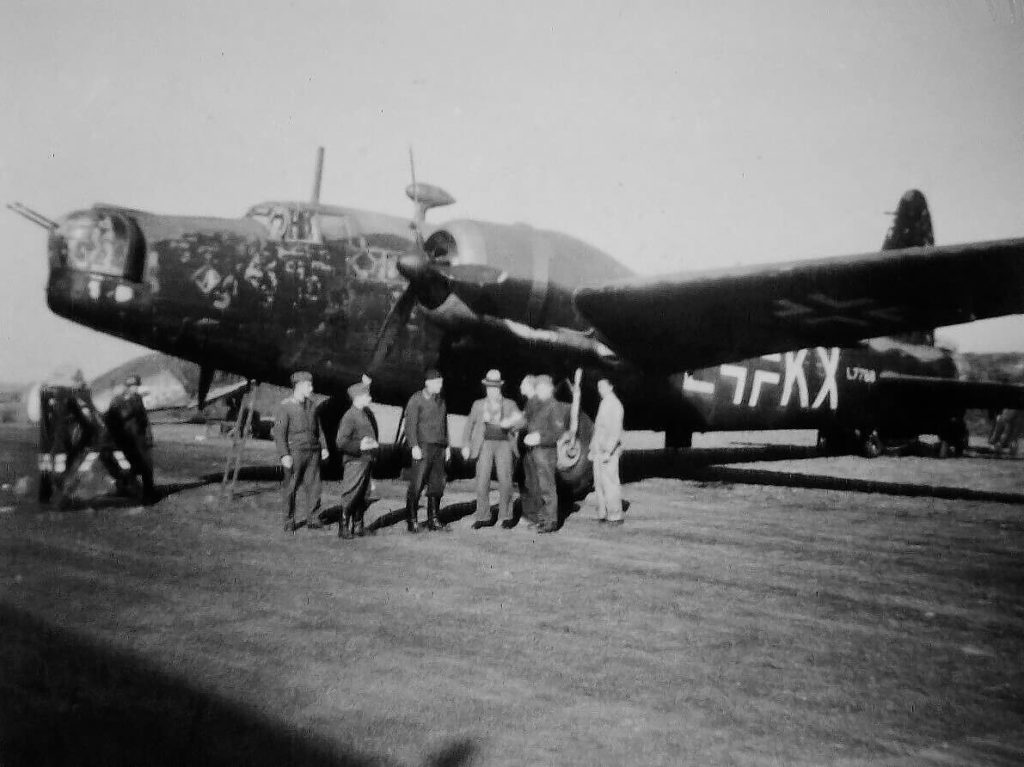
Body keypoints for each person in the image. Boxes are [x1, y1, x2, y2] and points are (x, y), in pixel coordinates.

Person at [462, 369, 522, 529]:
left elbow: (522, 421)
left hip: (504, 445)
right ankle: (483, 516)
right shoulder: (478, 404)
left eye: (495, 387)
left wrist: (510, 422)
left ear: (500, 387)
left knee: (505, 481)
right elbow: (469, 425)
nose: (492, 390)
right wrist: (466, 445)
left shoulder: (510, 404)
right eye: (489, 387)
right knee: (482, 480)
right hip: (484, 444)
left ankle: (506, 515)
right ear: (486, 387)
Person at [272, 371, 329, 533]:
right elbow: (279, 432)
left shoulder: (312, 405)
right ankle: (289, 521)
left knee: (314, 487)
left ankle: (313, 519)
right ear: (299, 386)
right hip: (295, 451)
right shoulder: (286, 406)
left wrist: (324, 447)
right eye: (308, 385)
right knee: (291, 486)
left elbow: (319, 429)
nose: (311, 387)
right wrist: (284, 454)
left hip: (313, 451)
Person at [403, 368, 451, 532]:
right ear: (428, 383)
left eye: (441, 382)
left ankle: (434, 519)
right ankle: (412, 520)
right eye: (437, 383)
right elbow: (410, 425)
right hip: (423, 446)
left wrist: (448, 445)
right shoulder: (416, 400)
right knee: (417, 484)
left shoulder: (441, 401)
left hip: (439, 447)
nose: (440, 385)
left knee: (437, 485)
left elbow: (444, 425)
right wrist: (414, 446)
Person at [522, 374, 569, 533]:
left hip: (546, 452)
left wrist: (539, 438)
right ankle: (542, 519)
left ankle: (551, 522)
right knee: (540, 487)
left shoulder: (554, 406)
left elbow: (558, 432)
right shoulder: (540, 405)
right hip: (536, 452)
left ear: (549, 389)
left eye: (541, 388)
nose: (538, 391)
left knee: (548, 487)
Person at [335, 380, 379, 539]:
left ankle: (358, 526)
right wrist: (361, 445)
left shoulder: (363, 413)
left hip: (365, 461)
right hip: (355, 462)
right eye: (367, 395)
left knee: (363, 494)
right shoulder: (350, 416)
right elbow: (341, 442)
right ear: (358, 397)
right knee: (351, 494)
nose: (370, 397)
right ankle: (343, 527)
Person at [106, 373, 158, 503]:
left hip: (132, 438)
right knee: (138, 465)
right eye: (131, 385)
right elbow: (112, 420)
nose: (133, 388)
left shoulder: (128, 399)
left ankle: (141, 491)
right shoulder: (125, 400)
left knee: (139, 465)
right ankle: (135, 490)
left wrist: (148, 436)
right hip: (130, 438)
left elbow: (143, 419)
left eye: (135, 385)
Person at [589, 377, 625, 525]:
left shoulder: (615, 404)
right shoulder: (605, 403)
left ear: (611, 387)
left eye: (603, 386)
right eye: (598, 387)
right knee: (599, 484)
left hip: (607, 452)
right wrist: (592, 449)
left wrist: (608, 451)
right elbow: (598, 429)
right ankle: (603, 514)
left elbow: (615, 431)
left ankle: (615, 515)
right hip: (599, 450)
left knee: (610, 483)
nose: (600, 390)